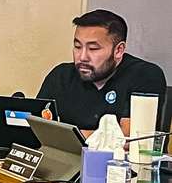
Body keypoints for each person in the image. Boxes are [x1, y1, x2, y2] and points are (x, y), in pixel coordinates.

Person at [36, 9, 166, 133]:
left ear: (118, 50)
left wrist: (62, 137)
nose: (82, 57)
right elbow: (36, 127)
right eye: (77, 47)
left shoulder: (145, 75)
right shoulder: (61, 76)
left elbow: (129, 137)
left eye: (93, 49)